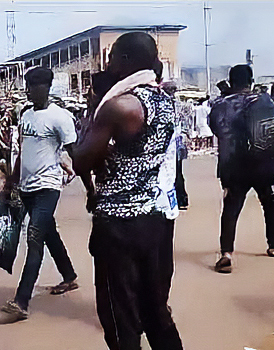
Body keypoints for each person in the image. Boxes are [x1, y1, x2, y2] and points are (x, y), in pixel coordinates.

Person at [73, 32, 183, 349]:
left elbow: (81, 159)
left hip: (118, 223)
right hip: (157, 218)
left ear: (124, 60)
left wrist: (93, 124)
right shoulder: (167, 103)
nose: (107, 64)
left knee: (121, 319)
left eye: (111, 58)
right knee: (157, 313)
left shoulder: (119, 107)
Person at [0, 67, 79, 324]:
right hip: (27, 186)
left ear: (47, 87)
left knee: (34, 237)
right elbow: (23, 150)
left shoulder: (61, 118)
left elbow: (74, 151)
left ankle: (22, 300)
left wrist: (89, 183)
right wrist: (11, 182)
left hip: (48, 186)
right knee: (48, 232)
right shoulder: (26, 115)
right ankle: (69, 276)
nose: (30, 91)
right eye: (28, 86)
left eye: (34, 86)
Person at [209, 64, 274, 273]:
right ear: (251, 80)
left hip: (234, 165)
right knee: (269, 203)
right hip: (263, 163)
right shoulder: (265, 101)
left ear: (230, 81)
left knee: (231, 208)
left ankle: (226, 253)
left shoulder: (221, 104)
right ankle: (273, 245)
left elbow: (216, 129)